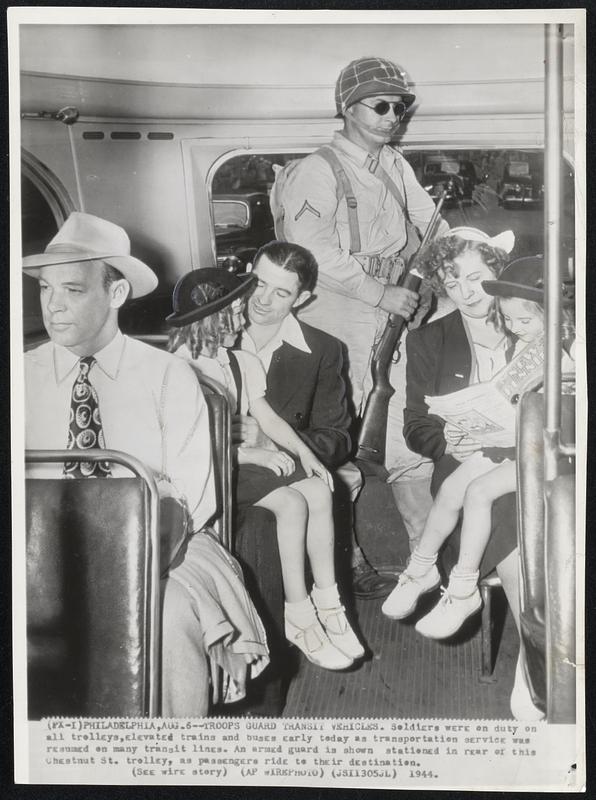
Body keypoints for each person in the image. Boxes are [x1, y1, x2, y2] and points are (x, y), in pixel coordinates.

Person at [23, 212, 269, 717]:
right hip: (35, 545)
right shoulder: (19, 376)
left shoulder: (168, 377)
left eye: (71, 289)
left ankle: (170, 764)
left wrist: (112, 557)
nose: (53, 306)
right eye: (46, 290)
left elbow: (191, 500)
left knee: (166, 614)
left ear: (115, 295)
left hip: (157, 544)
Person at [272, 56, 450, 555]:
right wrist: (379, 294)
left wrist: (435, 280)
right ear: (347, 109)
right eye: (382, 106)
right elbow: (314, 253)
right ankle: (345, 560)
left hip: (391, 299)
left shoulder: (394, 163)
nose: (394, 115)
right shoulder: (316, 170)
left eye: (401, 107)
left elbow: (429, 225)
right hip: (338, 308)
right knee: (336, 431)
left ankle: (424, 558)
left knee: (401, 419)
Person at [383, 227, 546, 720]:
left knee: (510, 515)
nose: (468, 291)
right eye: (453, 283)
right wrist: (449, 440)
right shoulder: (429, 338)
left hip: (530, 459)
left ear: (499, 272)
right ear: (441, 287)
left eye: (478, 277)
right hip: (463, 464)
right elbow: (416, 426)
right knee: (508, 526)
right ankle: (535, 665)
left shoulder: (536, 322)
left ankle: (520, 652)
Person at [167, 267, 364, 671]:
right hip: (208, 474)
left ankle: (329, 601)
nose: (243, 319)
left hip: (237, 463)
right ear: (214, 320)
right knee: (291, 503)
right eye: (235, 312)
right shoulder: (177, 371)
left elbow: (270, 420)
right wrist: (251, 456)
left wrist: (307, 455)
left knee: (317, 488)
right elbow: (185, 449)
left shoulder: (240, 361)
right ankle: (298, 612)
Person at [382, 254, 575, 639]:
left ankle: (464, 587)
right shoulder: (519, 344)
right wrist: (465, 428)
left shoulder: (567, 350)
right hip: (506, 444)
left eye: (526, 320)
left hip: (543, 453)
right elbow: (424, 424)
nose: (518, 329)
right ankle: (421, 567)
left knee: (481, 493)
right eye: (453, 284)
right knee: (455, 488)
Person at [238, 240, 394, 598]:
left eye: (281, 292)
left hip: (280, 473)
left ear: (303, 298)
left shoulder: (323, 350)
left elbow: (337, 438)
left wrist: (269, 442)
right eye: (258, 284)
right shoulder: (216, 331)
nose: (263, 300)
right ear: (247, 276)